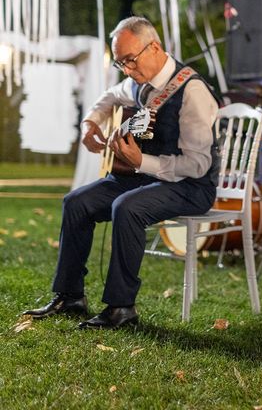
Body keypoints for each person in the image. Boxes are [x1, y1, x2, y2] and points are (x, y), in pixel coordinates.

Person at [23, 16, 220, 329]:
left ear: (154, 47)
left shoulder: (192, 91)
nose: (127, 70)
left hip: (191, 185)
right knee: (76, 202)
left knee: (126, 207)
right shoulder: (140, 82)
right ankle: (70, 295)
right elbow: (110, 98)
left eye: (130, 60)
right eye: (120, 63)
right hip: (145, 177)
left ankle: (121, 309)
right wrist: (90, 123)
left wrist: (141, 161)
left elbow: (197, 164)